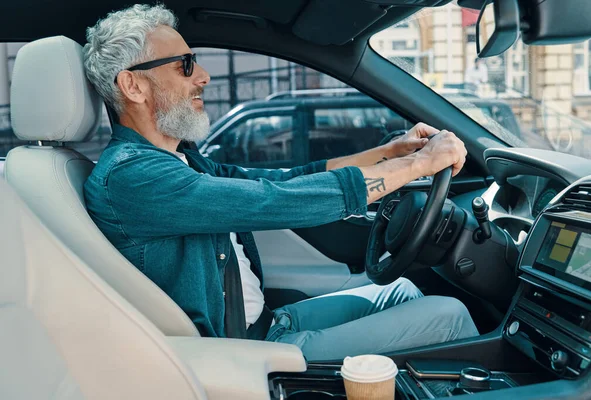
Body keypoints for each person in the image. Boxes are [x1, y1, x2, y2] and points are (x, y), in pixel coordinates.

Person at [82, 4, 478, 361]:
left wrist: (394, 153)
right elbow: (273, 201)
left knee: (404, 291)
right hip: (247, 352)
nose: (202, 76)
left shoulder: (177, 162)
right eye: (184, 65)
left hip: (268, 325)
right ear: (133, 86)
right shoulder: (133, 177)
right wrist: (421, 164)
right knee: (450, 315)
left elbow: (284, 180)